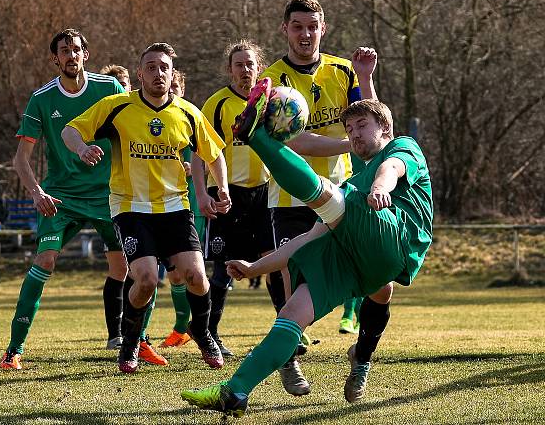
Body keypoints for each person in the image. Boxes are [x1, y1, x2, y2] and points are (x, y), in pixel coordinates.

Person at [182, 97, 432, 415]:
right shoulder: (355, 185)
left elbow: (391, 169)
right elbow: (307, 239)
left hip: (394, 240)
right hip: (359, 267)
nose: (354, 134)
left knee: (328, 194)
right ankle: (235, 392)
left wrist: (381, 188)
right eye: (349, 128)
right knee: (291, 313)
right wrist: (254, 267)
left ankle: (256, 136)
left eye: (362, 125)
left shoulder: (402, 147)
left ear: (384, 127)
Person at [62, 42, 232, 373]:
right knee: (146, 280)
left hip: (175, 208)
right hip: (131, 207)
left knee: (197, 276)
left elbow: (214, 154)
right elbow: (70, 130)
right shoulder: (117, 106)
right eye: (151, 67)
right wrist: (82, 148)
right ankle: (130, 343)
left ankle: (201, 331)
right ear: (140, 74)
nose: (158, 73)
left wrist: (221, 186)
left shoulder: (187, 113)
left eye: (164, 68)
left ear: (173, 74)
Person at [258, 0, 378, 396]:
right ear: (285, 30)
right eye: (297, 26)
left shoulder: (343, 72)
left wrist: (365, 76)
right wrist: (347, 145)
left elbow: (373, 125)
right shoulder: (271, 80)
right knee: (288, 274)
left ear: (323, 28)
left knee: (377, 280)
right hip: (290, 195)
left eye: (313, 26)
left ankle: (361, 356)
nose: (306, 34)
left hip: (340, 196)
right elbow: (293, 143)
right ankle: (288, 358)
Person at [0, 29, 129, 371]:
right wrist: (36, 192)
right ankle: (14, 349)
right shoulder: (41, 99)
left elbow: (132, 133)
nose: (71, 55)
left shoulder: (110, 89)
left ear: (86, 53)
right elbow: (20, 159)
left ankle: (136, 342)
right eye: (64, 51)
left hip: (107, 194)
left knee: (129, 266)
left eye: (76, 49)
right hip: (61, 196)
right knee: (45, 260)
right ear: (54, 59)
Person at [180, 40, 274, 357]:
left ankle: (288, 332)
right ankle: (207, 332)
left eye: (250, 63)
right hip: (225, 194)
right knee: (224, 270)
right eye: (238, 64)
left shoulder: (271, 101)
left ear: (258, 66)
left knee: (274, 262)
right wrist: (200, 195)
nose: (245, 69)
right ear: (229, 69)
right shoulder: (217, 104)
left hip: (263, 193)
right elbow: (199, 153)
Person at [156, 69, 201, 352]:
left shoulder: (189, 119)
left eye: (175, 87)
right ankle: (181, 326)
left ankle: (193, 327)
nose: (170, 91)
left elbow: (210, 154)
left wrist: (194, 168)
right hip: (156, 204)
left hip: (188, 204)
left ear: (181, 89)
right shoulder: (155, 120)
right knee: (173, 273)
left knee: (191, 271)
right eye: (168, 87)